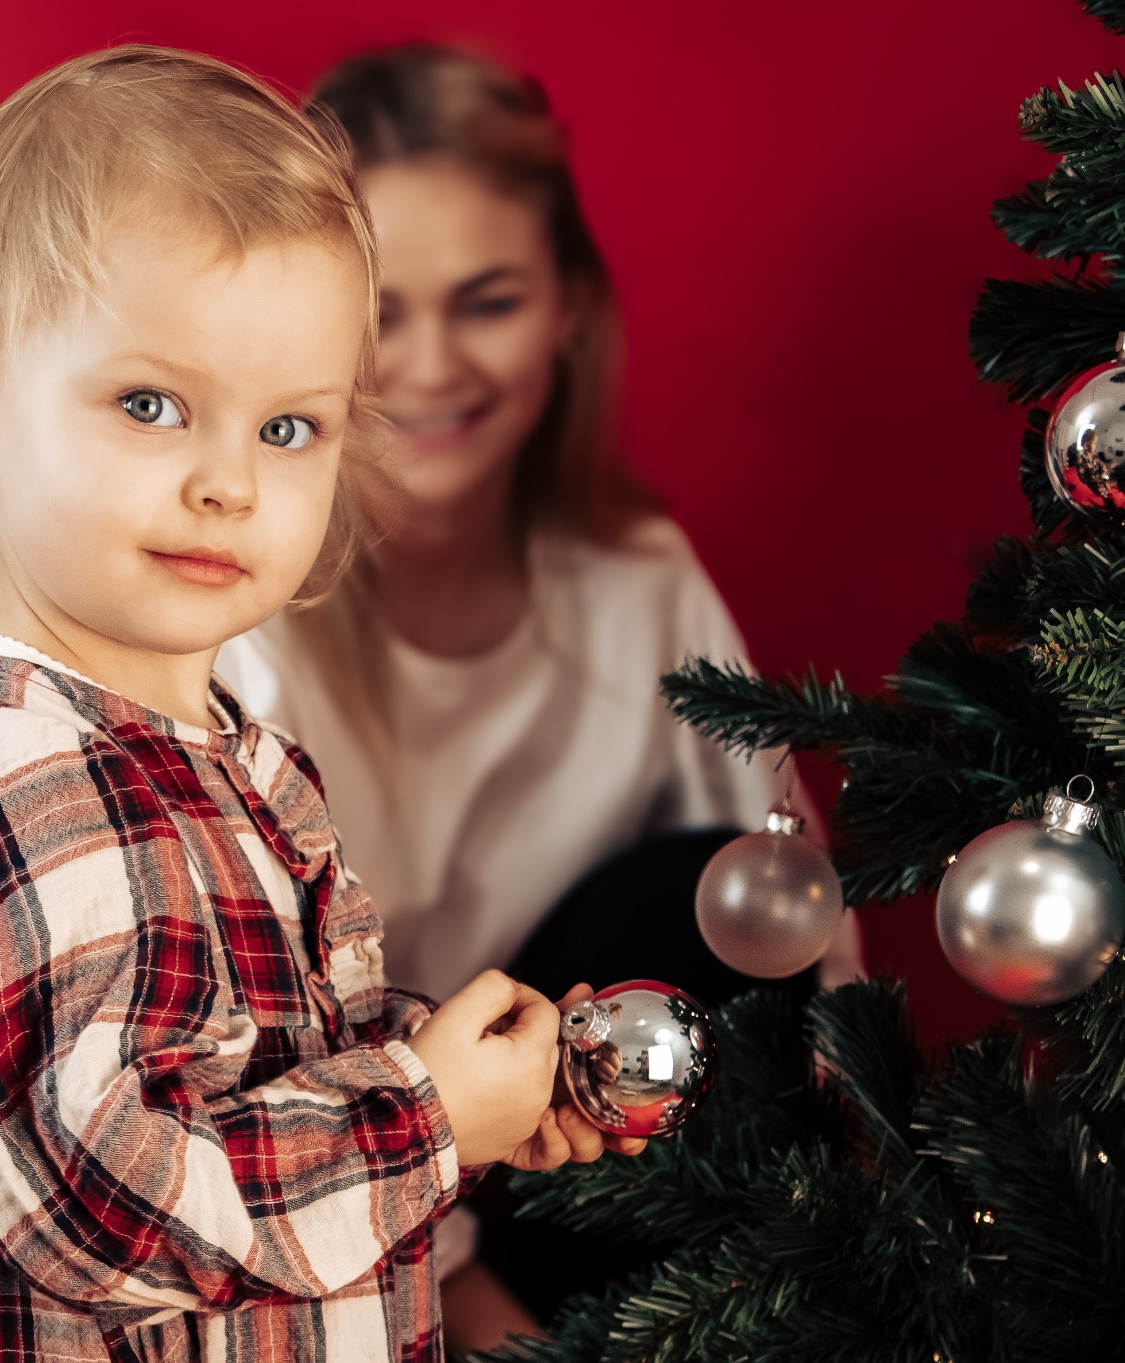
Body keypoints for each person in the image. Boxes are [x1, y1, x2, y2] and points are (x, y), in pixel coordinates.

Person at [0, 46, 637, 1363]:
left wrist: (455, 1065)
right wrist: (429, 1109)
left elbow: (227, 1065)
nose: (230, 482)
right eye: (153, 404)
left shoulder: (226, 754)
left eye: (288, 429)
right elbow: (103, 1194)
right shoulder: (10, 760)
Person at [214, 45, 863, 1346]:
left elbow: (800, 922)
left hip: (588, 1170)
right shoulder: (240, 627)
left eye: (490, 299)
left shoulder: (634, 579)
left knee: (705, 887)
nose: (435, 364)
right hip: (332, 1193)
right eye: (384, 313)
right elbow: (246, 1065)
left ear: (568, 307)